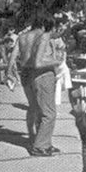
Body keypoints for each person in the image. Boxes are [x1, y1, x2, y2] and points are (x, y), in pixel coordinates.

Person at [28, 14, 64, 156]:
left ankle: (46, 143)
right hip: (43, 78)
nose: (61, 31)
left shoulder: (44, 39)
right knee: (49, 114)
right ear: (52, 27)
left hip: (46, 77)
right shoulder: (43, 39)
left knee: (46, 112)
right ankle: (39, 146)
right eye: (59, 28)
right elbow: (38, 63)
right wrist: (56, 61)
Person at [6, 17, 44, 144]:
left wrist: (9, 72)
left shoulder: (21, 37)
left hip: (25, 72)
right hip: (38, 72)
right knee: (41, 106)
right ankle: (39, 136)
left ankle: (31, 134)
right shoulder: (41, 36)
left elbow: (13, 55)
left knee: (32, 105)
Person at [52, 13, 73, 106]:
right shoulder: (55, 36)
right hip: (57, 59)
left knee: (61, 78)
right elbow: (56, 37)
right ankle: (56, 101)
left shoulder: (58, 35)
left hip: (59, 58)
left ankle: (57, 101)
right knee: (61, 76)